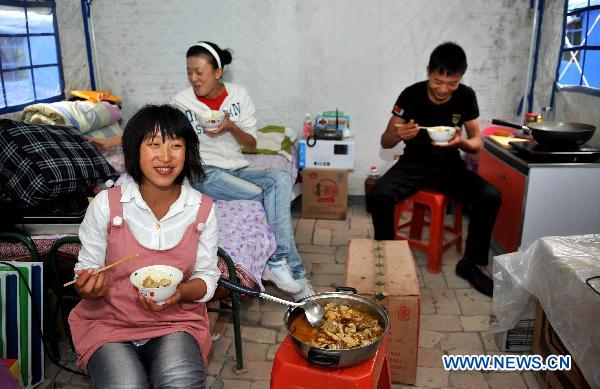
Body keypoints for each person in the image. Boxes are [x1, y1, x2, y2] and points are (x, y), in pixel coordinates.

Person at [68, 104, 219, 388]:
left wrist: (182, 292)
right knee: (126, 384)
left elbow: (207, 277)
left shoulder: (202, 209)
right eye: (154, 145)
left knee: (180, 381)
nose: (166, 156)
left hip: (176, 322)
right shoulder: (106, 205)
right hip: (109, 323)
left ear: (188, 152)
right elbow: (86, 271)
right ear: (135, 150)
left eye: (176, 145)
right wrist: (87, 285)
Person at [171, 41, 314, 301]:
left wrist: (230, 127)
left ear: (218, 72)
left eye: (199, 72)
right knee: (267, 199)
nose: (193, 78)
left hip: (236, 168)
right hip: (204, 172)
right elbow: (173, 141)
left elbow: (251, 143)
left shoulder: (239, 95)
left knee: (279, 179)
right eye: (189, 71)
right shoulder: (181, 102)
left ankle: (277, 262)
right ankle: (290, 269)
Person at [367, 42, 501, 297]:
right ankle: (387, 262)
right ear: (428, 71)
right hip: (412, 165)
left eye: (451, 83)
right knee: (379, 196)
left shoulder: (466, 96)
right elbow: (385, 141)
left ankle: (471, 264)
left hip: (449, 166)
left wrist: (461, 142)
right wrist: (398, 134)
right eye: (438, 81)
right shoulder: (411, 94)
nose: (443, 89)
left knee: (490, 196)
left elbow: (476, 142)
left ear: (461, 77)